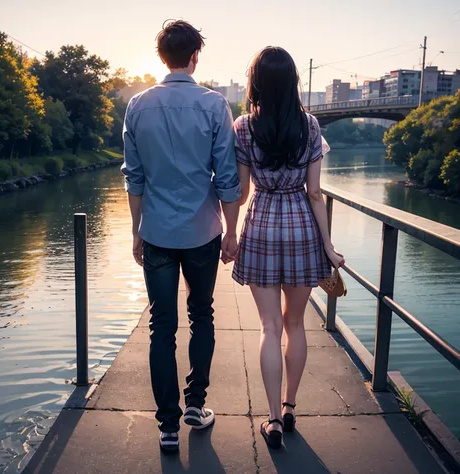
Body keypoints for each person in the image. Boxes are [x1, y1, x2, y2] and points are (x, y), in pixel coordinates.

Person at [121, 20, 241, 453]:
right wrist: (231, 231)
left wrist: (137, 231)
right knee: (202, 315)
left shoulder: (137, 105)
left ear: (161, 57)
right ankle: (195, 406)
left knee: (161, 327)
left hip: (155, 230)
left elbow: (133, 178)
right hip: (202, 231)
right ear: (195, 57)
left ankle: (167, 427)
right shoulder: (214, 105)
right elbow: (228, 177)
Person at [230, 47, 344, 449]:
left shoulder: (243, 127)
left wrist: (227, 229)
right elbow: (315, 193)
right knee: (295, 324)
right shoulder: (310, 126)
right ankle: (291, 405)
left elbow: (241, 193)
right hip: (300, 228)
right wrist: (328, 245)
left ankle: (273, 420)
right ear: (294, 80)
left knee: (269, 327)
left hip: (261, 227)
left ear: (256, 82)